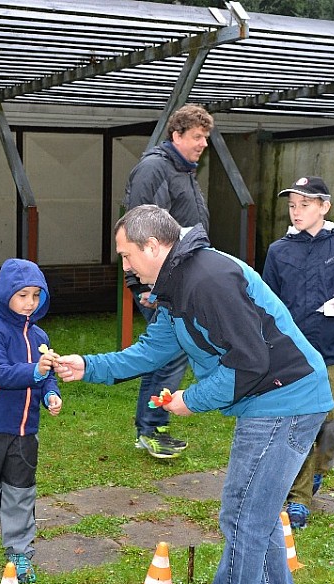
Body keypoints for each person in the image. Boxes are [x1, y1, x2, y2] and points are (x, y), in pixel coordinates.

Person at [54, 205, 333, 584]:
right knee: (256, 509)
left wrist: (190, 400)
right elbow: (150, 353)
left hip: (285, 399)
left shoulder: (207, 281)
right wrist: (86, 366)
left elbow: (249, 362)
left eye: (127, 255)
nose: (123, 265)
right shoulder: (177, 286)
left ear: (153, 246)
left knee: (242, 513)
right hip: (270, 399)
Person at [262, 175, 334, 529]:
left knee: (333, 422)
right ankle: (298, 500)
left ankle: (316, 474)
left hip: (330, 351)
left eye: (305, 205)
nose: (296, 212)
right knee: (299, 427)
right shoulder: (278, 251)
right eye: (292, 205)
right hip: (293, 354)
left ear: (324, 207)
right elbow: (267, 300)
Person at [0, 258, 62, 584]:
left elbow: (45, 377)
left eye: (36, 295)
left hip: (25, 432)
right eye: (22, 295)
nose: (29, 302)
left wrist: (50, 394)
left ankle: (18, 550)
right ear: (6, 295)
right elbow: (1, 373)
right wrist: (37, 371)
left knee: (21, 492)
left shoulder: (40, 334)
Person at [122, 104, 214, 460]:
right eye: (196, 136)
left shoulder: (184, 171)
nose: (202, 144)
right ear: (176, 135)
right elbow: (141, 231)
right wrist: (146, 287)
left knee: (173, 353)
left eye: (205, 137)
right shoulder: (154, 168)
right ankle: (151, 428)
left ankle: (153, 425)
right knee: (170, 353)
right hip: (161, 283)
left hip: (182, 280)